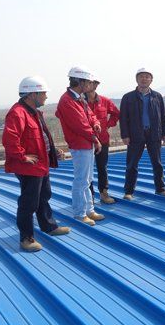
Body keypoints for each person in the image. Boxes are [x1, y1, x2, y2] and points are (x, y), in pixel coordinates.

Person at [2, 75, 70, 252]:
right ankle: (26, 238)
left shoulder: (34, 112)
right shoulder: (18, 113)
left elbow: (40, 137)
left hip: (41, 164)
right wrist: (22, 156)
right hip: (29, 167)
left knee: (44, 196)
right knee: (29, 202)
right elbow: (10, 139)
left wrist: (52, 151)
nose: (46, 96)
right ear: (32, 94)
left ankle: (49, 226)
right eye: (43, 93)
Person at [55, 66, 105, 226]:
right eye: (88, 82)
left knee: (88, 179)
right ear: (80, 82)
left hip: (86, 143)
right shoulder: (67, 101)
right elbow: (80, 125)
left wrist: (96, 123)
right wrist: (95, 139)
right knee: (81, 180)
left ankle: (89, 210)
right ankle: (80, 213)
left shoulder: (79, 98)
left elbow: (90, 115)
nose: (90, 85)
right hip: (80, 144)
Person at [119, 68, 165, 200]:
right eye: (141, 76)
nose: (144, 79)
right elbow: (123, 118)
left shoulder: (157, 96)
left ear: (151, 80)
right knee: (132, 164)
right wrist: (125, 135)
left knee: (157, 163)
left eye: (147, 77)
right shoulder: (128, 97)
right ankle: (129, 191)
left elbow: (164, 115)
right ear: (136, 79)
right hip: (135, 134)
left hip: (154, 134)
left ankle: (161, 189)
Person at [86, 77, 120, 204]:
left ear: (96, 85)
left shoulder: (105, 101)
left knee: (102, 167)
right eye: (88, 82)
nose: (89, 85)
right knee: (87, 170)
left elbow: (116, 113)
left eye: (92, 83)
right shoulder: (79, 102)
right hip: (86, 141)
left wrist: (108, 125)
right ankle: (89, 197)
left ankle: (104, 193)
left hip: (103, 139)